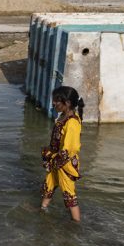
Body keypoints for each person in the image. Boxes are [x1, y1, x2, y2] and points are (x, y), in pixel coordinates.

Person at [40, 86, 84, 222]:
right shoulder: (63, 116)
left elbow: (70, 149)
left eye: (56, 101)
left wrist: (53, 158)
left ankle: (76, 222)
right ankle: (42, 209)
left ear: (67, 103)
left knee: (69, 193)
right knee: (49, 184)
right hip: (56, 160)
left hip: (65, 163)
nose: (53, 103)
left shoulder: (72, 123)